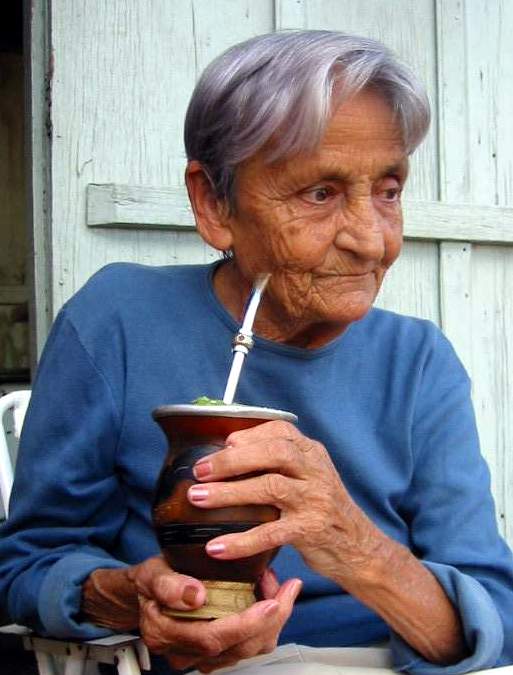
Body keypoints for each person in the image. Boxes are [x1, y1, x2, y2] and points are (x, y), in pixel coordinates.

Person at [1, 30, 513, 675]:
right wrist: (134, 597)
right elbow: (30, 562)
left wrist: (351, 544)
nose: (371, 240)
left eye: (388, 190)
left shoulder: (417, 360)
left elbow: (492, 618)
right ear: (215, 204)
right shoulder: (118, 321)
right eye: (319, 193)